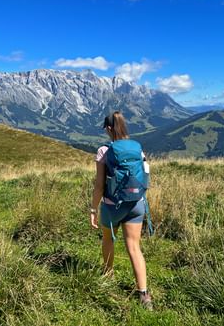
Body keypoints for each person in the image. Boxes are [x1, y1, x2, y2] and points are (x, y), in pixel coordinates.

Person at [90, 111, 152, 310]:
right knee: (134, 247)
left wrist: (93, 209)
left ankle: (108, 274)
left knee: (108, 239)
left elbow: (99, 186)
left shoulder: (104, 151)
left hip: (112, 205)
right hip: (136, 203)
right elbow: (145, 177)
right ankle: (143, 294)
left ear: (109, 128)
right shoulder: (137, 149)